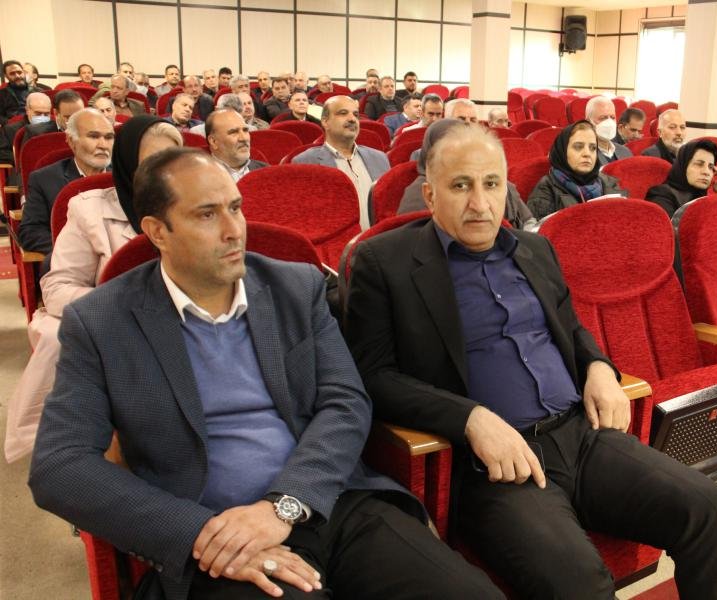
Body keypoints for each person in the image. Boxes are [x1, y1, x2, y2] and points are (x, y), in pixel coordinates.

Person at [29, 145, 503, 600]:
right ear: (157, 231)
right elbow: (59, 464)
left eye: (235, 208)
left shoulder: (293, 287)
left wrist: (285, 504)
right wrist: (198, 534)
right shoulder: (103, 321)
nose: (234, 230)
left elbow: (345, 401)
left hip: (326, 502)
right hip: (218, 531)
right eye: (207, 215)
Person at [343, 124, 717, 600]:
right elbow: (374, 377)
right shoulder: (384, 262)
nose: (480, 202)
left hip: (583, 436)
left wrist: (599, 367)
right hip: (496, 466)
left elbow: (572, 330)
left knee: (711, 509)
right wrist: (471, 419)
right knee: (580, 583)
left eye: (492, 184)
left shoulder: (535, 249)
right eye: (460, 186)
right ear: (431, 195)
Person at [5, 116, 183, 463]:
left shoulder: (198, 207)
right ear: (129, 163)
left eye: (174, 161)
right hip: (117, 326)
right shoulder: (89, 209)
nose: (166, 173)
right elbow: (58, 287)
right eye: (153, 162)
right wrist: (124, 305)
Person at [397, 119, 535, 230]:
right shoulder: (416, 196)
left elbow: (528, 221)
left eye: (490, 184)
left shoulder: (504, 184)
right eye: (460, 186)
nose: (480, 206)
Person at [18, 108, 114, 258]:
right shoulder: (44, 179)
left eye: (109, 137)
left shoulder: (127, 176)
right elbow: (30, 231)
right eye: (94, 136)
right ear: (71, 141)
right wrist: (72, 252)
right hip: (73, 261)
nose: (103, 145)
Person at [292, 96, 389, 230]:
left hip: (378, 238)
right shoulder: (305, 163)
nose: (352, 119)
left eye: (356, 115)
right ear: (325, 122)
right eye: (343, 113)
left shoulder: (379, 158)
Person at [527, 120, 627, 221]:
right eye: (578, 147)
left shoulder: (608, 182)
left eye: (593, 148)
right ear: (563, 151)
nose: (587, 154)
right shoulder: (545, 191)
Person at [645, 138, 717, 218]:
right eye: (699, 164)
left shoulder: (703, 196)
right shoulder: (661, 196)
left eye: (711, 167)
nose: (706, 172)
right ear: (683, 166)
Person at [206, 108, 268, 181]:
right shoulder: (198, 177)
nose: (244, 138)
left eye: (245, 130)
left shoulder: (266, 171)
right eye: (233, 132)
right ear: (213, 141)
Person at [0, 92, 51, 166]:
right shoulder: (10, 130)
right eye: (38, 113)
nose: (43, 117)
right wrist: (26, 159)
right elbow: (2, 153)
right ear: (27, 110)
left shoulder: (55, 128)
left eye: (46, 114)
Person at [585, 96, 632, 166]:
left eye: (612, 117)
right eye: (603, 118)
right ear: (588, 122)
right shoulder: (584, 155)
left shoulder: (625, 151)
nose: (609, 122)